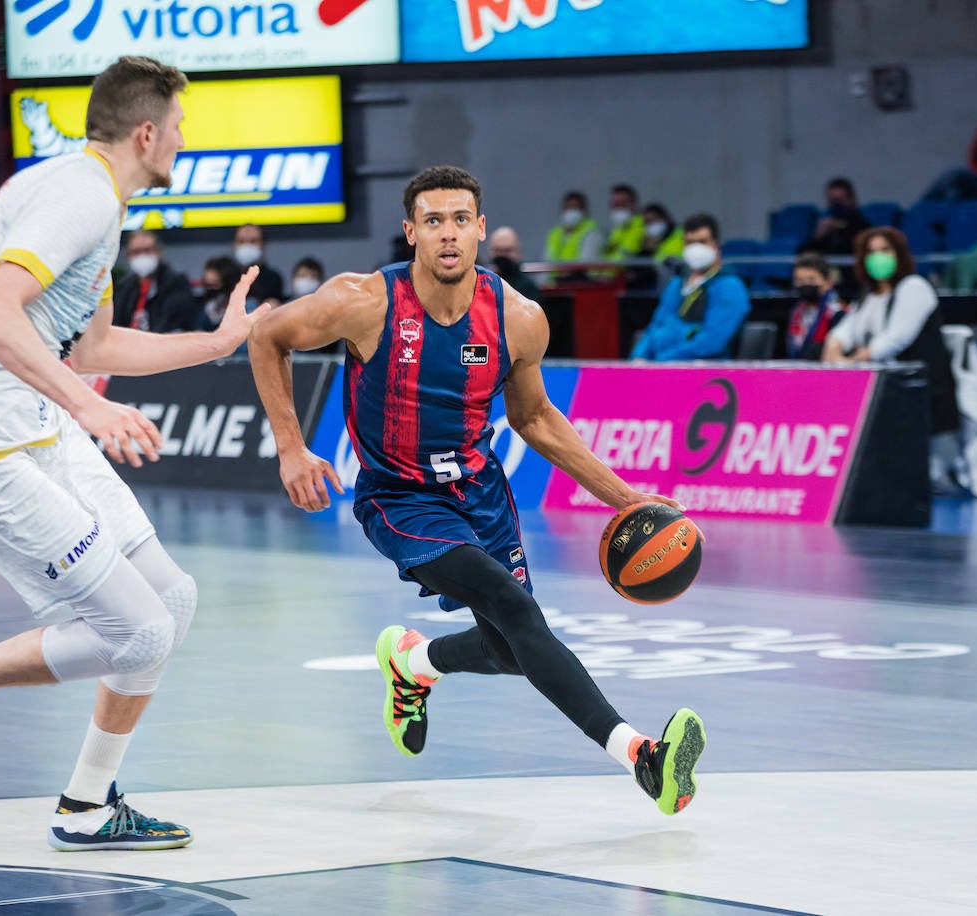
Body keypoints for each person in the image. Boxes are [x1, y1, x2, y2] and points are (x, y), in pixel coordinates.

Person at [0, 56, 268, 852]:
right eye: (179, 127)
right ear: (147, 132)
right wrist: (90, 406)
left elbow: (92, 345)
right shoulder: (78, 196)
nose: (183, 141)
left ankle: (74, 797)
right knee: (139, 631)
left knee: (168, 605)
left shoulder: (101, 202)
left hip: (34, 417)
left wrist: (214, 343)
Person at [246, 165, 706, 817]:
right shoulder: (365, 301)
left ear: (481, 228)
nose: (449, 234)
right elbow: (267, 336)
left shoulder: (518, 318)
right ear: (411, 232)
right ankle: (643, 755)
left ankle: (415, 663)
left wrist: (630, 500)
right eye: (433, 221)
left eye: (461, 219)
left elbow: (536, 418)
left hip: (480, 493)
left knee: (510, 647)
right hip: (399, 499)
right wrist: (292, 448)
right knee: (515, 611)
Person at [823, 227, 960, 486]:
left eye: (885, 250)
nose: (878, 257)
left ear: (899, 254)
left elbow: (894, 340)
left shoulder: (915, 287)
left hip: (920, 392)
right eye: (871, 252)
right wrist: (833, 347)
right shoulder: (869, 296)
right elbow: (846, 330)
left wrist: (849, 363)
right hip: (886, 390)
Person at [631, 213, 751, 361]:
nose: (696, 248)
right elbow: (655, 326)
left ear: (716, 245)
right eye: (689, 242)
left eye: (702, 241)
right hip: (661, 368)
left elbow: (712, 341)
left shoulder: (729, 287)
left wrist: (663, 360)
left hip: (704, 373)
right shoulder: (676, 284)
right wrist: (639, 357)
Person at [112, 230, 200, 332]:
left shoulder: (175, 282)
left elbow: (170, 323)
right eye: (136, 252)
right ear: (128, 256)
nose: (142, 255)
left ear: (159, 252)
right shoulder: (124, 285)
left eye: (147, 250)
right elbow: (116, 324)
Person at [786, 252, 848, 361]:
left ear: (827, 282)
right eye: (799, 280)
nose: (805, 285)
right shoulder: (796, 311)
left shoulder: (838, 312)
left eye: (811, 280)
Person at [798, 178, 870, 256]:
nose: (837, 205)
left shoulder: (862, 226)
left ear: (851, 200)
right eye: (832, 201)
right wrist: (818, 237)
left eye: (840, 200)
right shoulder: (821, 227)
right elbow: (801, 255)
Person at [543, 191, 602, 266]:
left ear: (584, 211)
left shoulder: (591, 231)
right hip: (556, 276)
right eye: (567, 208)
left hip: (581, 276)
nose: (570, 212)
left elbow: (586, 263)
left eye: (575, 208)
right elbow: (546, 261)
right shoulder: (554, 233)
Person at [232, 222, 284, 304]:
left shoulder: (273, 279)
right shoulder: (227, 278)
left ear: (263, 244)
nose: (247, 246)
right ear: (235, 244)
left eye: (253, 241)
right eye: (241, 241)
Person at [486, 225, 543, 301]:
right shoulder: (481, 285)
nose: (502, 255)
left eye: (508, 250)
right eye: (498, 250)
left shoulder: (528, 288)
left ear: (518, 251)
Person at [601, 183, 645, 263]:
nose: (619, 207)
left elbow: (625, 258)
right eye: (615, 204)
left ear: (635, 205)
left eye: (623, 203)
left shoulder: (644, 228)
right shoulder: (617, 230)